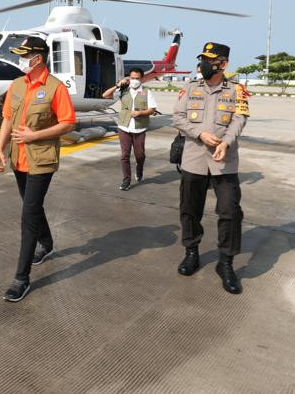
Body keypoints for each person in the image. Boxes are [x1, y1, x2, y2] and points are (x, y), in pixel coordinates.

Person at [0, 36, 76, 302]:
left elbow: (68, 123)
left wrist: (34, 136)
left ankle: (21, 279)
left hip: (41, 160)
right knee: (32, 206)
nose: (20, 60)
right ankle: (48, 243)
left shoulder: (55, 88)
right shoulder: (17, 85)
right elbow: (7, 118)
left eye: (24, 55)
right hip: (18, 158)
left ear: (37, 58)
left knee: (28, 215)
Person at [172, 42, 250, 294]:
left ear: (223, 64)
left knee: (230, 212)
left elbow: (240, 119)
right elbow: (178, 118)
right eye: (203, 59)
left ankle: (226, 263)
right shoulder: (190, 88)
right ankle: (191, 252)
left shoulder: (237, 90)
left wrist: (226, 143)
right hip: (194, 159)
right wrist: (199, 133)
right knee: (190, 210)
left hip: (223, 162)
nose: (204, 64)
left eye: (210, 60)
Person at [102, 68, 157, 190]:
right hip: (124, 127)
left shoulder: (147, 92)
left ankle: (139, 167)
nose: (135, 80)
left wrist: (140, 113)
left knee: (140, 155)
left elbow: (152, 109)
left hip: (139, 128)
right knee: (124, 155)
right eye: (132, 78)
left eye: (137, 78)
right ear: (129, 78)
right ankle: (126, 180)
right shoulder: (123, 90)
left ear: (142, 79)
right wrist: (118, 85)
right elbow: (105, 95)